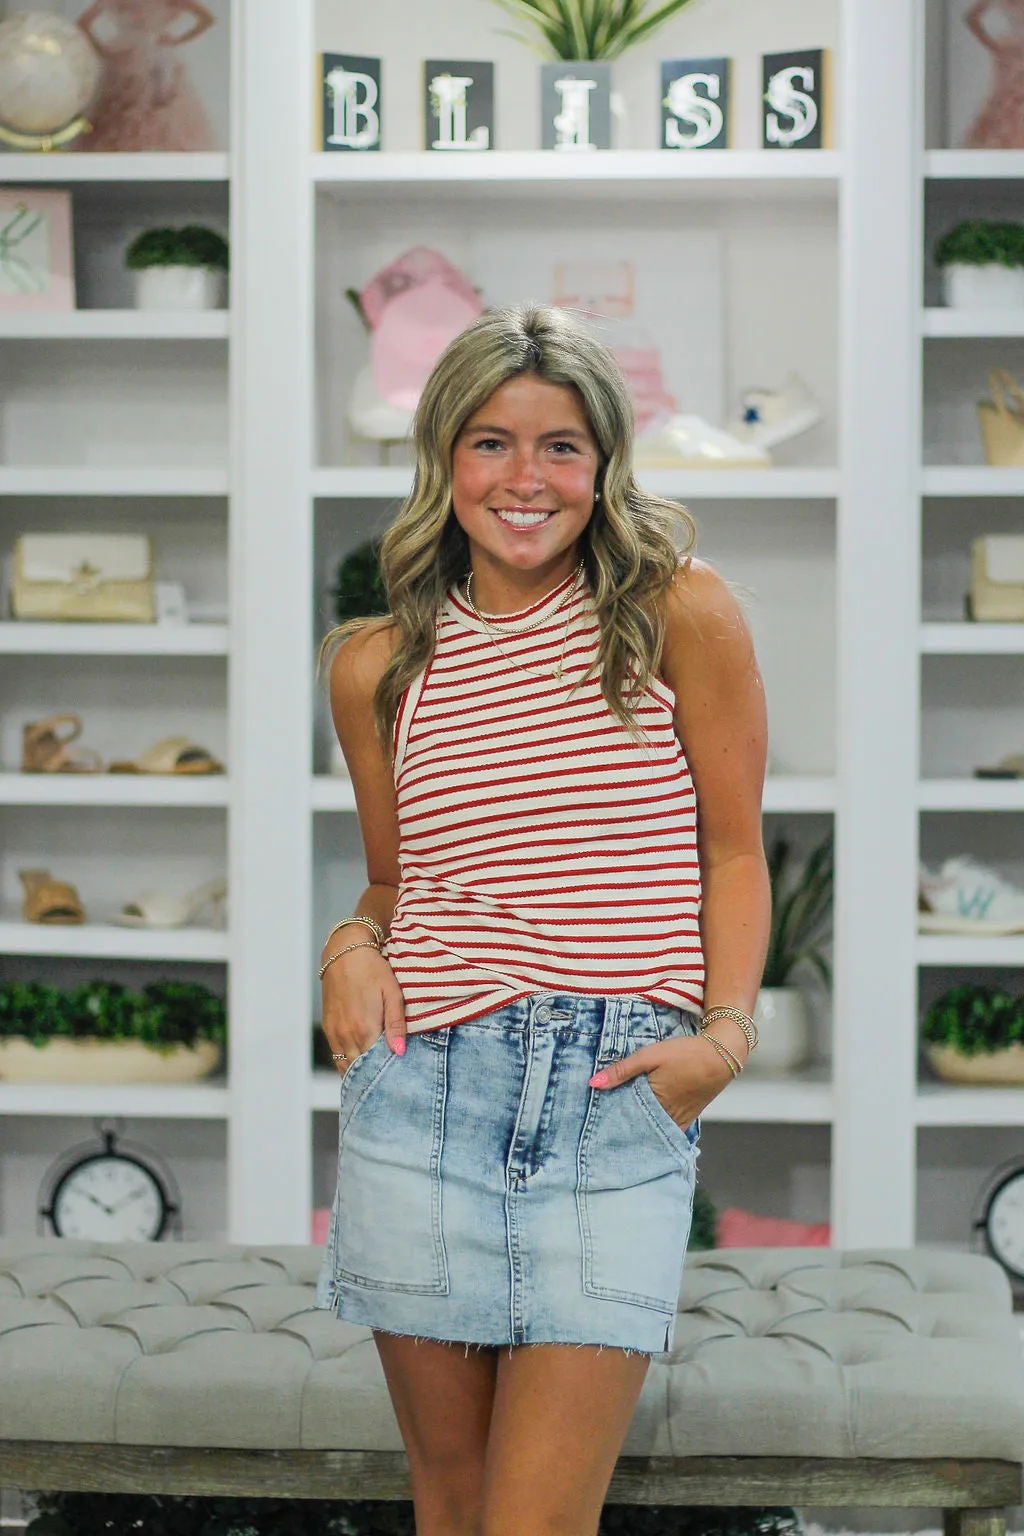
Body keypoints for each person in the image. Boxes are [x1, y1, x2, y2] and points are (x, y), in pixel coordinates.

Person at [314, 303, 770, 1536]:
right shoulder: (373, 663)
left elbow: (733, 852)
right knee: (452, 1505)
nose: (526, 479)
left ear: (606, 464)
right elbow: (394, 884)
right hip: (421, 1089)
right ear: (443, 462)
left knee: (536, 1524)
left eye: (561, 446)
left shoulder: (680, 612)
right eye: (491, 443)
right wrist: (348, 947)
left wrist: (723, 1040)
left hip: (611, 1089)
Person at [75, 0, 216, 153]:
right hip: (125, 61)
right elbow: (83, 23)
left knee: (162, 111)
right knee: (118, 114)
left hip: (156, 61)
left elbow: (206, 19)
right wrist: (103, 52)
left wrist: (176, 40)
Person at [964, 0, 1024, 148]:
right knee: (1008, 98)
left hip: (1014, 49)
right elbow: (971, 18)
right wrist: (994, 48)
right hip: (1011, 51)